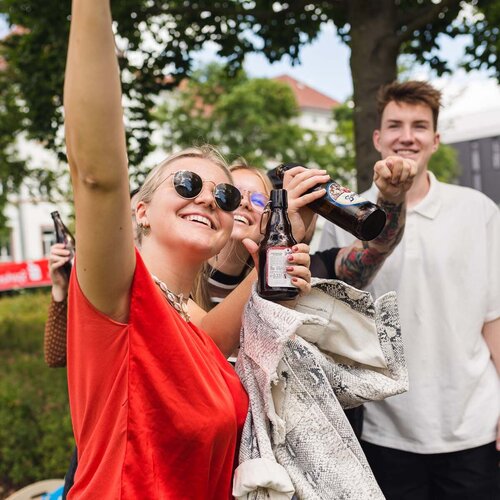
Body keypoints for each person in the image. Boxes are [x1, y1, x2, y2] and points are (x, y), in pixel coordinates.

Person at [63, 3, 312, 499]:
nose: (207, 198)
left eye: (224, 197)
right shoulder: (117, 291)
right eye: (187, 182)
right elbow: (97, 174)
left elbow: (220, 332)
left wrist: (285, 246)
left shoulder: (191, 320)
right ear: (140, 210)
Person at [319, 80, 500, 499]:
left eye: (419, 126)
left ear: (435, 140)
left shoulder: (478, 211)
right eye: (395, 124)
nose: (407, 135)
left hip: (471, 424)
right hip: (384, 429)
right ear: (378, 138)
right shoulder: (342, 215)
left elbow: (494, 318)